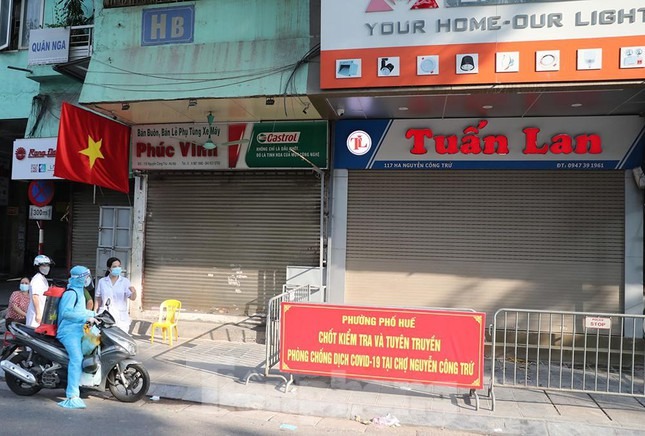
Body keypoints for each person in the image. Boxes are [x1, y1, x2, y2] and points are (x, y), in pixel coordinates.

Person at [57, 265, 96, 409]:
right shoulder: (71, 293)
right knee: (77, 359)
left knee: (92, 348)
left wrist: (94, 314)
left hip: (79, 329)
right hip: (68, 331)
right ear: (79, 278)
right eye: (86, 276)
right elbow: (66, 313)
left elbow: (80, 310)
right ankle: (72, 395)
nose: (88, 279)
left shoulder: (80, 291)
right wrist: (86, 317)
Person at [95, 257, 137, 333]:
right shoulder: (102, 281)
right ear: (109, 268)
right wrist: (95, 313)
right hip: (105, 316)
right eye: (114, 266)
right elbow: (98, 299)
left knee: (121, 338)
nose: (117, 268)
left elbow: (132, 298)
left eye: (119, 266)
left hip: (120, 317)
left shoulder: (125, 281)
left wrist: (134, 292)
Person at [26, 255, 53, 328]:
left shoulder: (43, 279)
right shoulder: (37, 280)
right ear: (37, 267)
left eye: (48, 265)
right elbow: (35, 297)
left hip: (42, 311)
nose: (47, 267)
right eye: (44, 265)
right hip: (36, 314)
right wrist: (38, 314)